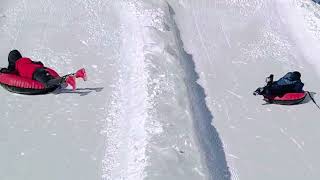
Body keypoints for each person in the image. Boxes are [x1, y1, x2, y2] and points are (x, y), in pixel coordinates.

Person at [0, 49, 75, 89]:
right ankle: (76, 75)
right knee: (50, 79)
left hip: (35, 73)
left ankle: (66, 79)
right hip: (41, 70)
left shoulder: (16, 66)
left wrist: (3, 71)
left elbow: (11, 74)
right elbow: (39, 63)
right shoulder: (26, 60)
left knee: (47, 83)